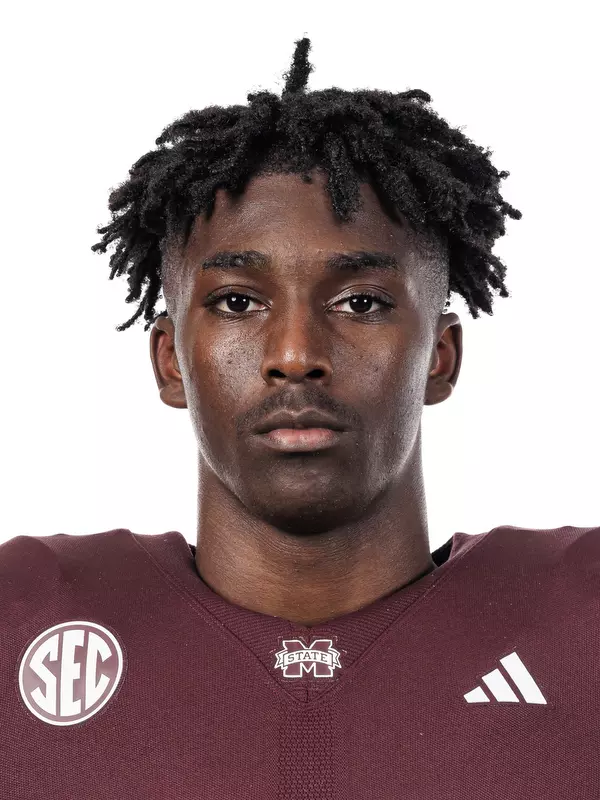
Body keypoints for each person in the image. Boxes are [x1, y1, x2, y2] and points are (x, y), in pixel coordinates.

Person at [2, 36, 597, 800]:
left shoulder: (583, 623)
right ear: (170, 361)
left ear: (440, 358)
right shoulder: (24, 616)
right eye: (237, 302)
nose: (293, 354)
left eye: (361, 303)